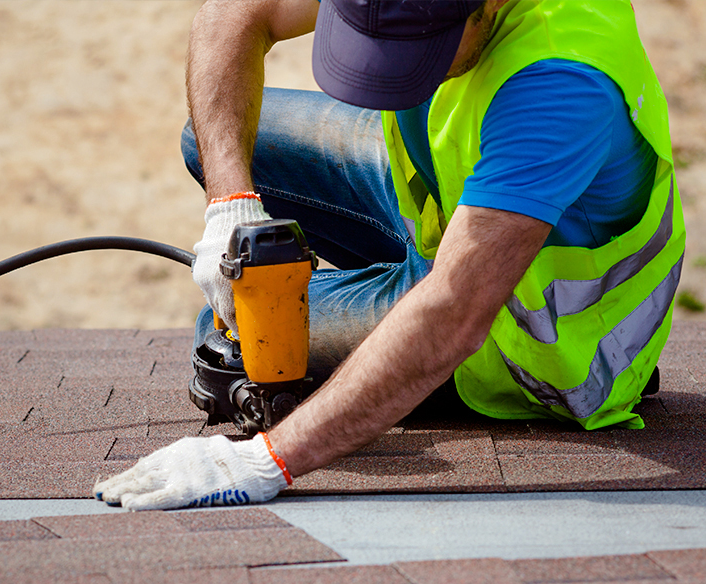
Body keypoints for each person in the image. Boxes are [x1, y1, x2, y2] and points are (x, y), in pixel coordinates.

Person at [94, 0, 685, 510]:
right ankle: (381, 296)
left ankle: (387, 317)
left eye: (415, 56)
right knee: (212, 137)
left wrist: (264, 463)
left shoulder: (560, 80)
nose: (390, 77)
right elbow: (235, 12)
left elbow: (454, 311)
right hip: (447, 207)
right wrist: (231, 203)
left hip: (529, 333)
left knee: (227, 337)